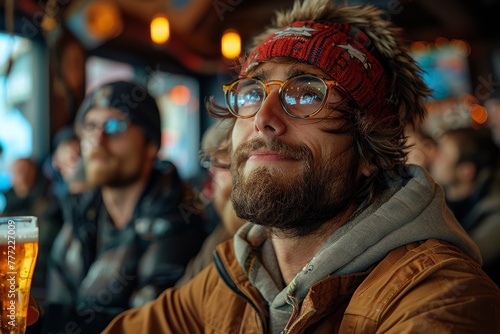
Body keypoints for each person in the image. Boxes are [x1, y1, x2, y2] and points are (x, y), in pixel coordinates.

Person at [104, 1, 500, 333]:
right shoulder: (234, 273)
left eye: (308, 93)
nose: (264, 117)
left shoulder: (439, 297)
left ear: (368, 152)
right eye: (252, 92)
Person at [41, 80, 208, 333]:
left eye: (114, 125)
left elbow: (144, 324)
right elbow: (55, 304)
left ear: (151, 144)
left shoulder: (179, 222)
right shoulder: (79, 216)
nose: (97, 139)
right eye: (90, 126)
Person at [175, 121, 245, 286]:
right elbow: (181, 299)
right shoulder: (221, 233)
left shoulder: (245, 237)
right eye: (213, 163)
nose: (214, 173)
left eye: (223, 163)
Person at [430, 126, 500, 284]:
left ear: (466, 172)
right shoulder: (438, 194)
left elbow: (464, 260)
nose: (434, 156)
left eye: (443, 153)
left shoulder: (494, 213)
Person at [1, 157, 63, 307]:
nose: (22, 174)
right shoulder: (5, 207)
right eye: (17, 170)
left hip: (41, 285)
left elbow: (47, 245)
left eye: (26, 169)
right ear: (11, 175)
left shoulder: (49, 204)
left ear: (35, 173)